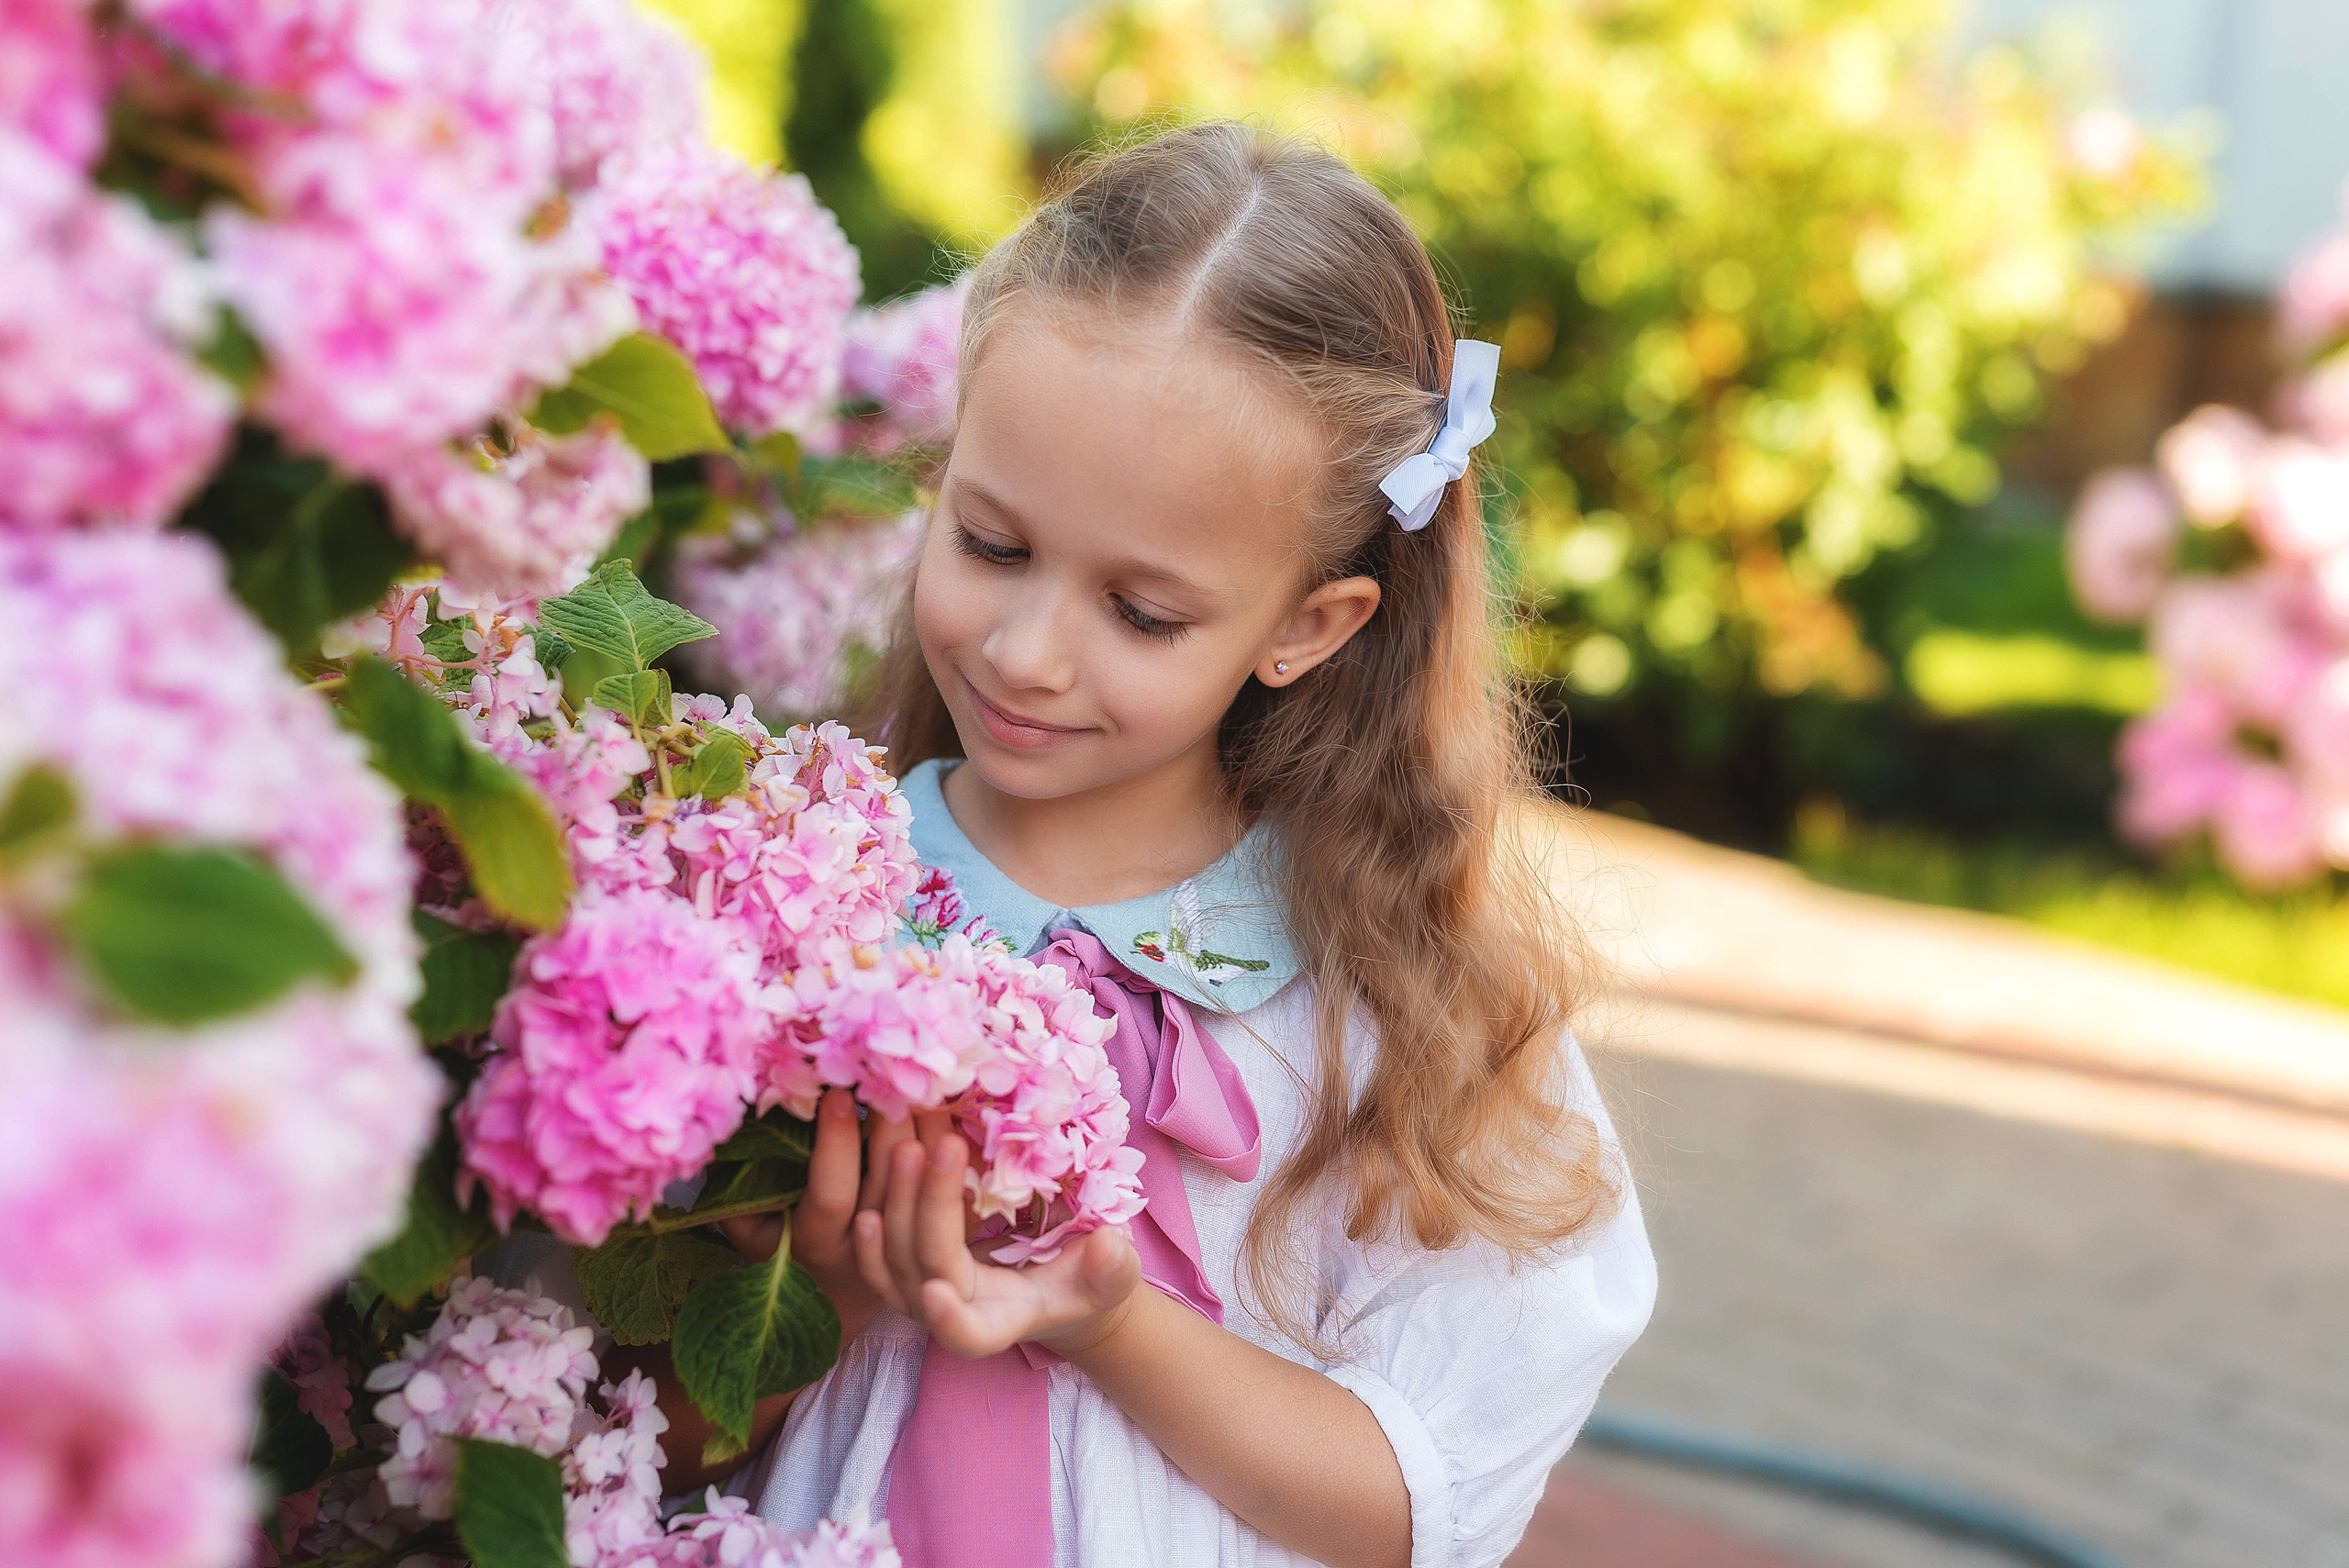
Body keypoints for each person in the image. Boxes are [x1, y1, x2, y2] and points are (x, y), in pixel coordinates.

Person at [730, 121, 1655, 1568]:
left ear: (1308, 623)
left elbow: (1427, 1505)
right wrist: (828, 1297)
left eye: (1143, 613)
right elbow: (622, 1427)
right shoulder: (789, 902)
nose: (1029, 653)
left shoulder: (1387, 1006)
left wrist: (1112, 1321)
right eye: (989, 543)